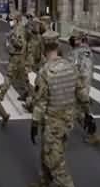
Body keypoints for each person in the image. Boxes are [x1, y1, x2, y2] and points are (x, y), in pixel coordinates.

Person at [30, 30, 78, 187]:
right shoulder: (71, 66)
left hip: (53, 122)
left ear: (44, 48)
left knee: (56, 162)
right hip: (68, 121)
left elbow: (40, 101)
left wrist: (34, 123)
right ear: (57, 46)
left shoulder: (45, 71)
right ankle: (45, 181)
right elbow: (80, 91)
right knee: (47, 151)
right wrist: (85, 114)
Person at [67, 30, 100, 145]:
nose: (72, 40)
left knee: (81, 111)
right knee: (79, 112)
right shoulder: (78, 50)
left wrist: (81, 87)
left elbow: (84, 72)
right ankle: (92, 133)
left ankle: (93, 134)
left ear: (81, 40)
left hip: (80, 85)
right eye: (72, 38)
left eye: (75, 38)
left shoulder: (83, 52)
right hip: (77, 85)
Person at [7, 11, 28, 101]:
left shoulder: (19, 29)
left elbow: (20, 44)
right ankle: (27, 93)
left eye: (12, 19)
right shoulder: (16, 28)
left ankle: (28, 94)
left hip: (18, 55)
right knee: (22, 76)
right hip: (17, 54)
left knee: (13, 74)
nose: (10, 21)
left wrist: (12, 39)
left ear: (17, 20)